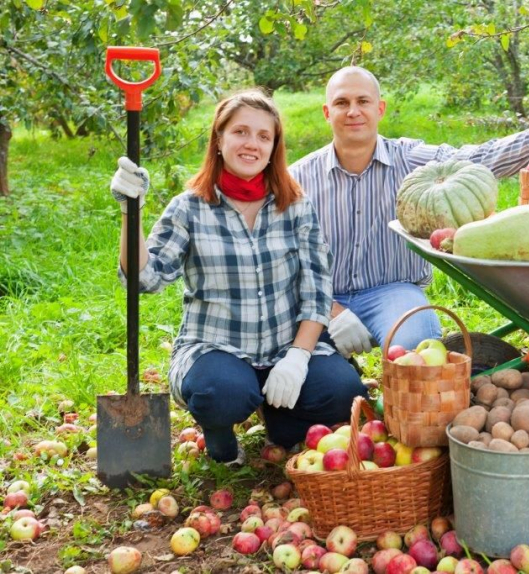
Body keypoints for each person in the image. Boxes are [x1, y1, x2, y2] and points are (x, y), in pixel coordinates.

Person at [110, 89, 367, 465]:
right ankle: (218, 431)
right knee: (221, 393)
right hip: (216, 348)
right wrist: (130, 212)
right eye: (241, 132)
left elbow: (316, 291)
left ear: (274, 147)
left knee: (343, 390)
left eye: (264, 136)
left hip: (283, 345)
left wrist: (297, 357)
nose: (252, 144)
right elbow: (144, 279)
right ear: (219, 139)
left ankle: (283, 421)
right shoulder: (190, 207)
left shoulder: (295, 206)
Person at [289, 66, 529, 357]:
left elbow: (477, 159)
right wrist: (328, 308)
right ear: (327, 112)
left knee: (418, 346)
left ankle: (409, 399)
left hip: (392, 292)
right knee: (303, 364)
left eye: (363, 101)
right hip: (322, 297)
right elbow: (279, 259)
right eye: (342, 103)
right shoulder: (298, 178)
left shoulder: (410, 160)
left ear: (379, 109)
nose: (353, 111)